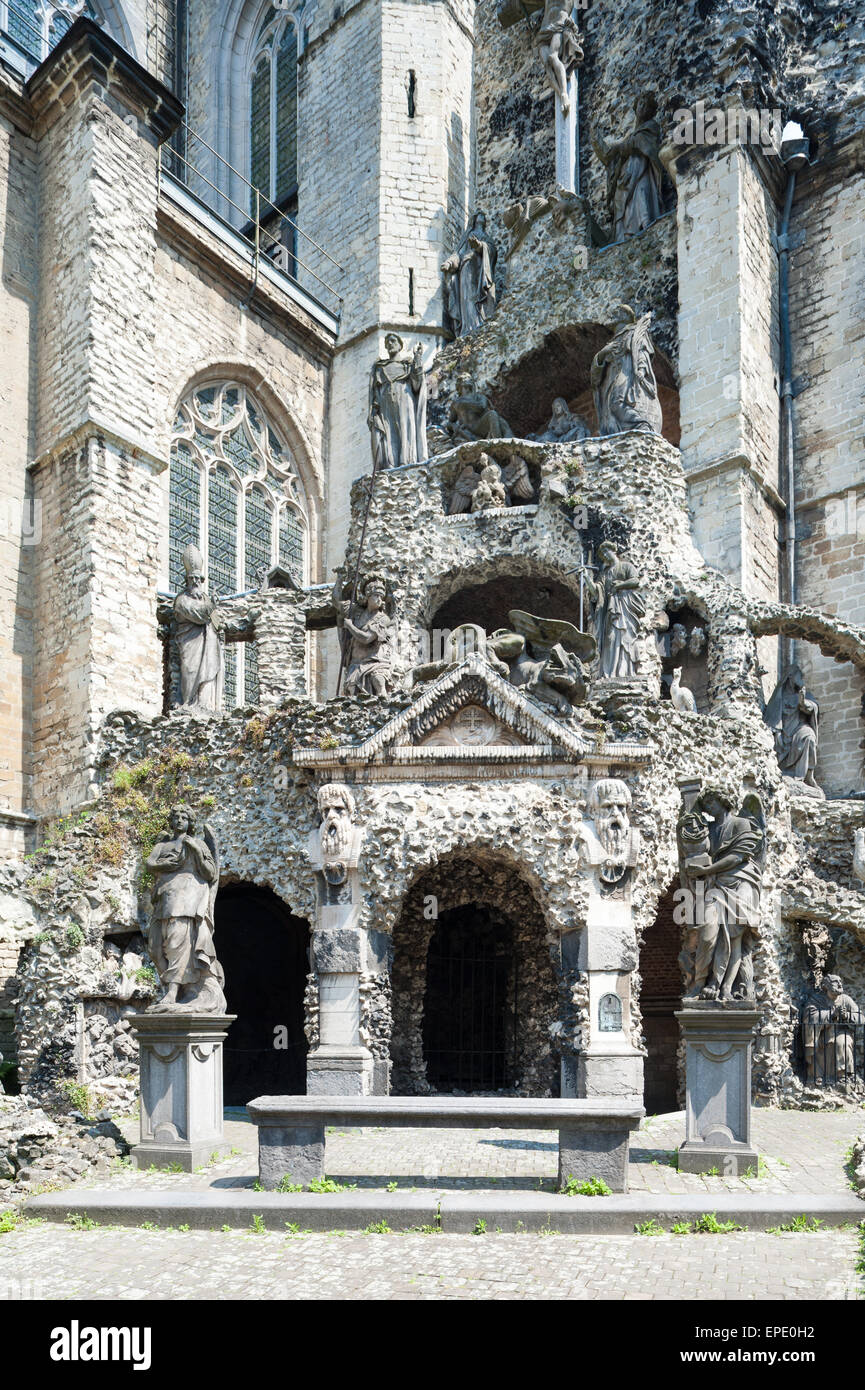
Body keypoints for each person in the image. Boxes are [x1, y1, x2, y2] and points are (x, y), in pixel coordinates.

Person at [681, 789, 764, 1002]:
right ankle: (699, 983)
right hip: (715, 886)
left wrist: (705, 871)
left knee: (734, 938)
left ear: (724, 801)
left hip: (741, 883)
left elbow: (737, 857)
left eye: (712, 801)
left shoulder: (740, 824)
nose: (708, 806)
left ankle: (724, 986)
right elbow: (690, 839)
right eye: (705, 803)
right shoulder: (707, 829)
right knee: (707, 935)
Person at [146, 806, 225, 1012]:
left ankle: (172, 992)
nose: (180, 820)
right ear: (171, 821)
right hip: (165, 899)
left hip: (187, 899)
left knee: (177, 943)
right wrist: (169, 864)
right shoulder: (163, 845)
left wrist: (197, 851)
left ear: (190, 823)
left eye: (185, 817)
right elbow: (150, 864)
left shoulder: (197, 843)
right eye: (176, 817)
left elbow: (210, 873)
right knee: (155, 948)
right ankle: (178, 989)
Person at [592, 91, 665, 241]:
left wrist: (623, 146)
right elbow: (610, 157)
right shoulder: (630, 137)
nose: (642, 108)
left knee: (642, 195)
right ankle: (623, 240)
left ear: (651, 111)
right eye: (640, 104)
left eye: (646, 106)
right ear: (635, 107)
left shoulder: (650, 127)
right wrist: (596, 138)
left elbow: (644, 146)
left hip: (642, 172)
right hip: (625, 178)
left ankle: (649, 233)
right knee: (622, 208)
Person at [591, 306, 663, 436]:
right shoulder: (611, 342)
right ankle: (620, 434)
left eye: (616, 313)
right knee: (610, 409)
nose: (611, 316)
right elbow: (595, 377)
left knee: (616, 402)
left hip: (627, 372)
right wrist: (603, 353)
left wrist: (641, 370)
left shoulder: (633, 333)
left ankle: (640, 424)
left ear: (625, 316)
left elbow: (641, 351)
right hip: (610, 378)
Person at [173, 545, 225, 710]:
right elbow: (198, 615)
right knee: (190, 671)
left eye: (198, 579)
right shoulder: (181, 600)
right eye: (192, 579)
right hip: (190, 644)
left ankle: (204, 704)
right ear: (187, 581)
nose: (195, 582)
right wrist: (211, 606)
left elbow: (217, 623)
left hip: (209, 644)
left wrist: (220, 626)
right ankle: (189, 704)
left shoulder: (206, 599)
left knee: (209, 671)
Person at [585, 541, 646, 678]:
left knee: (626, 637)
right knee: (610, 639)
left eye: (607, 551)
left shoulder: (626, 566)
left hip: (625, 607)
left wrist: (620, 585)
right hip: (611, 611)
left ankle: (626, 672)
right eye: (603, 554)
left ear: (614, 550)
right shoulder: (604, 574)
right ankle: (610, 673)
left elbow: (635, 581)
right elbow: (596, 591)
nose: (606, 555)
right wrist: (587, 579)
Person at [368, 334, 428, 469]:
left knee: (405, 427)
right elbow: (375, 392)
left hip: (404, 398)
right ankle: (390, 466)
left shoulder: (407, 365)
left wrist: (417, 358)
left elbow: (417, 384)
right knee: (388, 433)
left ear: (400, 346)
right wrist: (373, 411)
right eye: (387, 342)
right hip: (385, 403)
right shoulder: (379, 367)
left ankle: (407, 462)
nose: (390, 344)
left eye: (393, 341)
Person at [335, 575, 396, 696]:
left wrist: (350, 626)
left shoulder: (383, 619)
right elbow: (337, 602)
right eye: (376, 596)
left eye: (381, 597)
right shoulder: (356, 611)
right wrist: (339, 579)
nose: (380, 600)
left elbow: (366, 638)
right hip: (356, 663)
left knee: (378, 683)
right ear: (368, 596)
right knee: (351, 692)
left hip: (374, 662)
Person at [763, 664, 820, 790]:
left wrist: (803, 702)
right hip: (783, 732)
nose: (802, 680)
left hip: (799, 729)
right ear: (790, 677)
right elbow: (772, 716)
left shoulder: (805, 695)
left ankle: (804, 777)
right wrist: (776, 731)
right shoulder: (779, 696)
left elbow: (813, 707)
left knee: (809, 736)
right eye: (800, 676)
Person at [442, 211, 497, 336]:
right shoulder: (468, 235)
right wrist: (449, 263)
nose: (482, 216)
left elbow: (492, 251)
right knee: (467, 298)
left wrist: (480, 246)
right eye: (479, 215)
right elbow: (458, 253)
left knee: (477, 297)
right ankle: (467, 328)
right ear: (474, 219)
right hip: (466, 269)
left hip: (480, 271)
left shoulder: (487, 237)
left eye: (484, 215)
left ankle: (478, 324)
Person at [533, 0, 584, 114]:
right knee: (547, 64)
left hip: (560, 24)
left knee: (553, 56)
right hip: (544, 30)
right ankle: (561, 94)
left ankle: (564, 93)